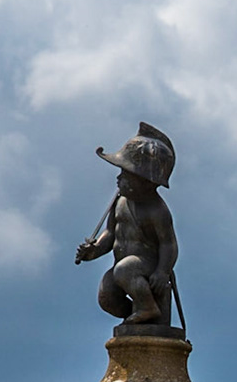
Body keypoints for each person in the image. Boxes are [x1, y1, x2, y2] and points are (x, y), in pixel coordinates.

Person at [76, 122, 178, 327]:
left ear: (146, 182)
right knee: (106, 295)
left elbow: (168, 244)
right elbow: (110, 233)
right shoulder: (120, 202)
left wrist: (162, 271)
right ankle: (139, 314)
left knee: (124, 270)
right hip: (122, 267)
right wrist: (94, 250)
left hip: (146, 263)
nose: (119, 178)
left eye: (126, 175)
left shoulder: (156, 211)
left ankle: (147, 308)